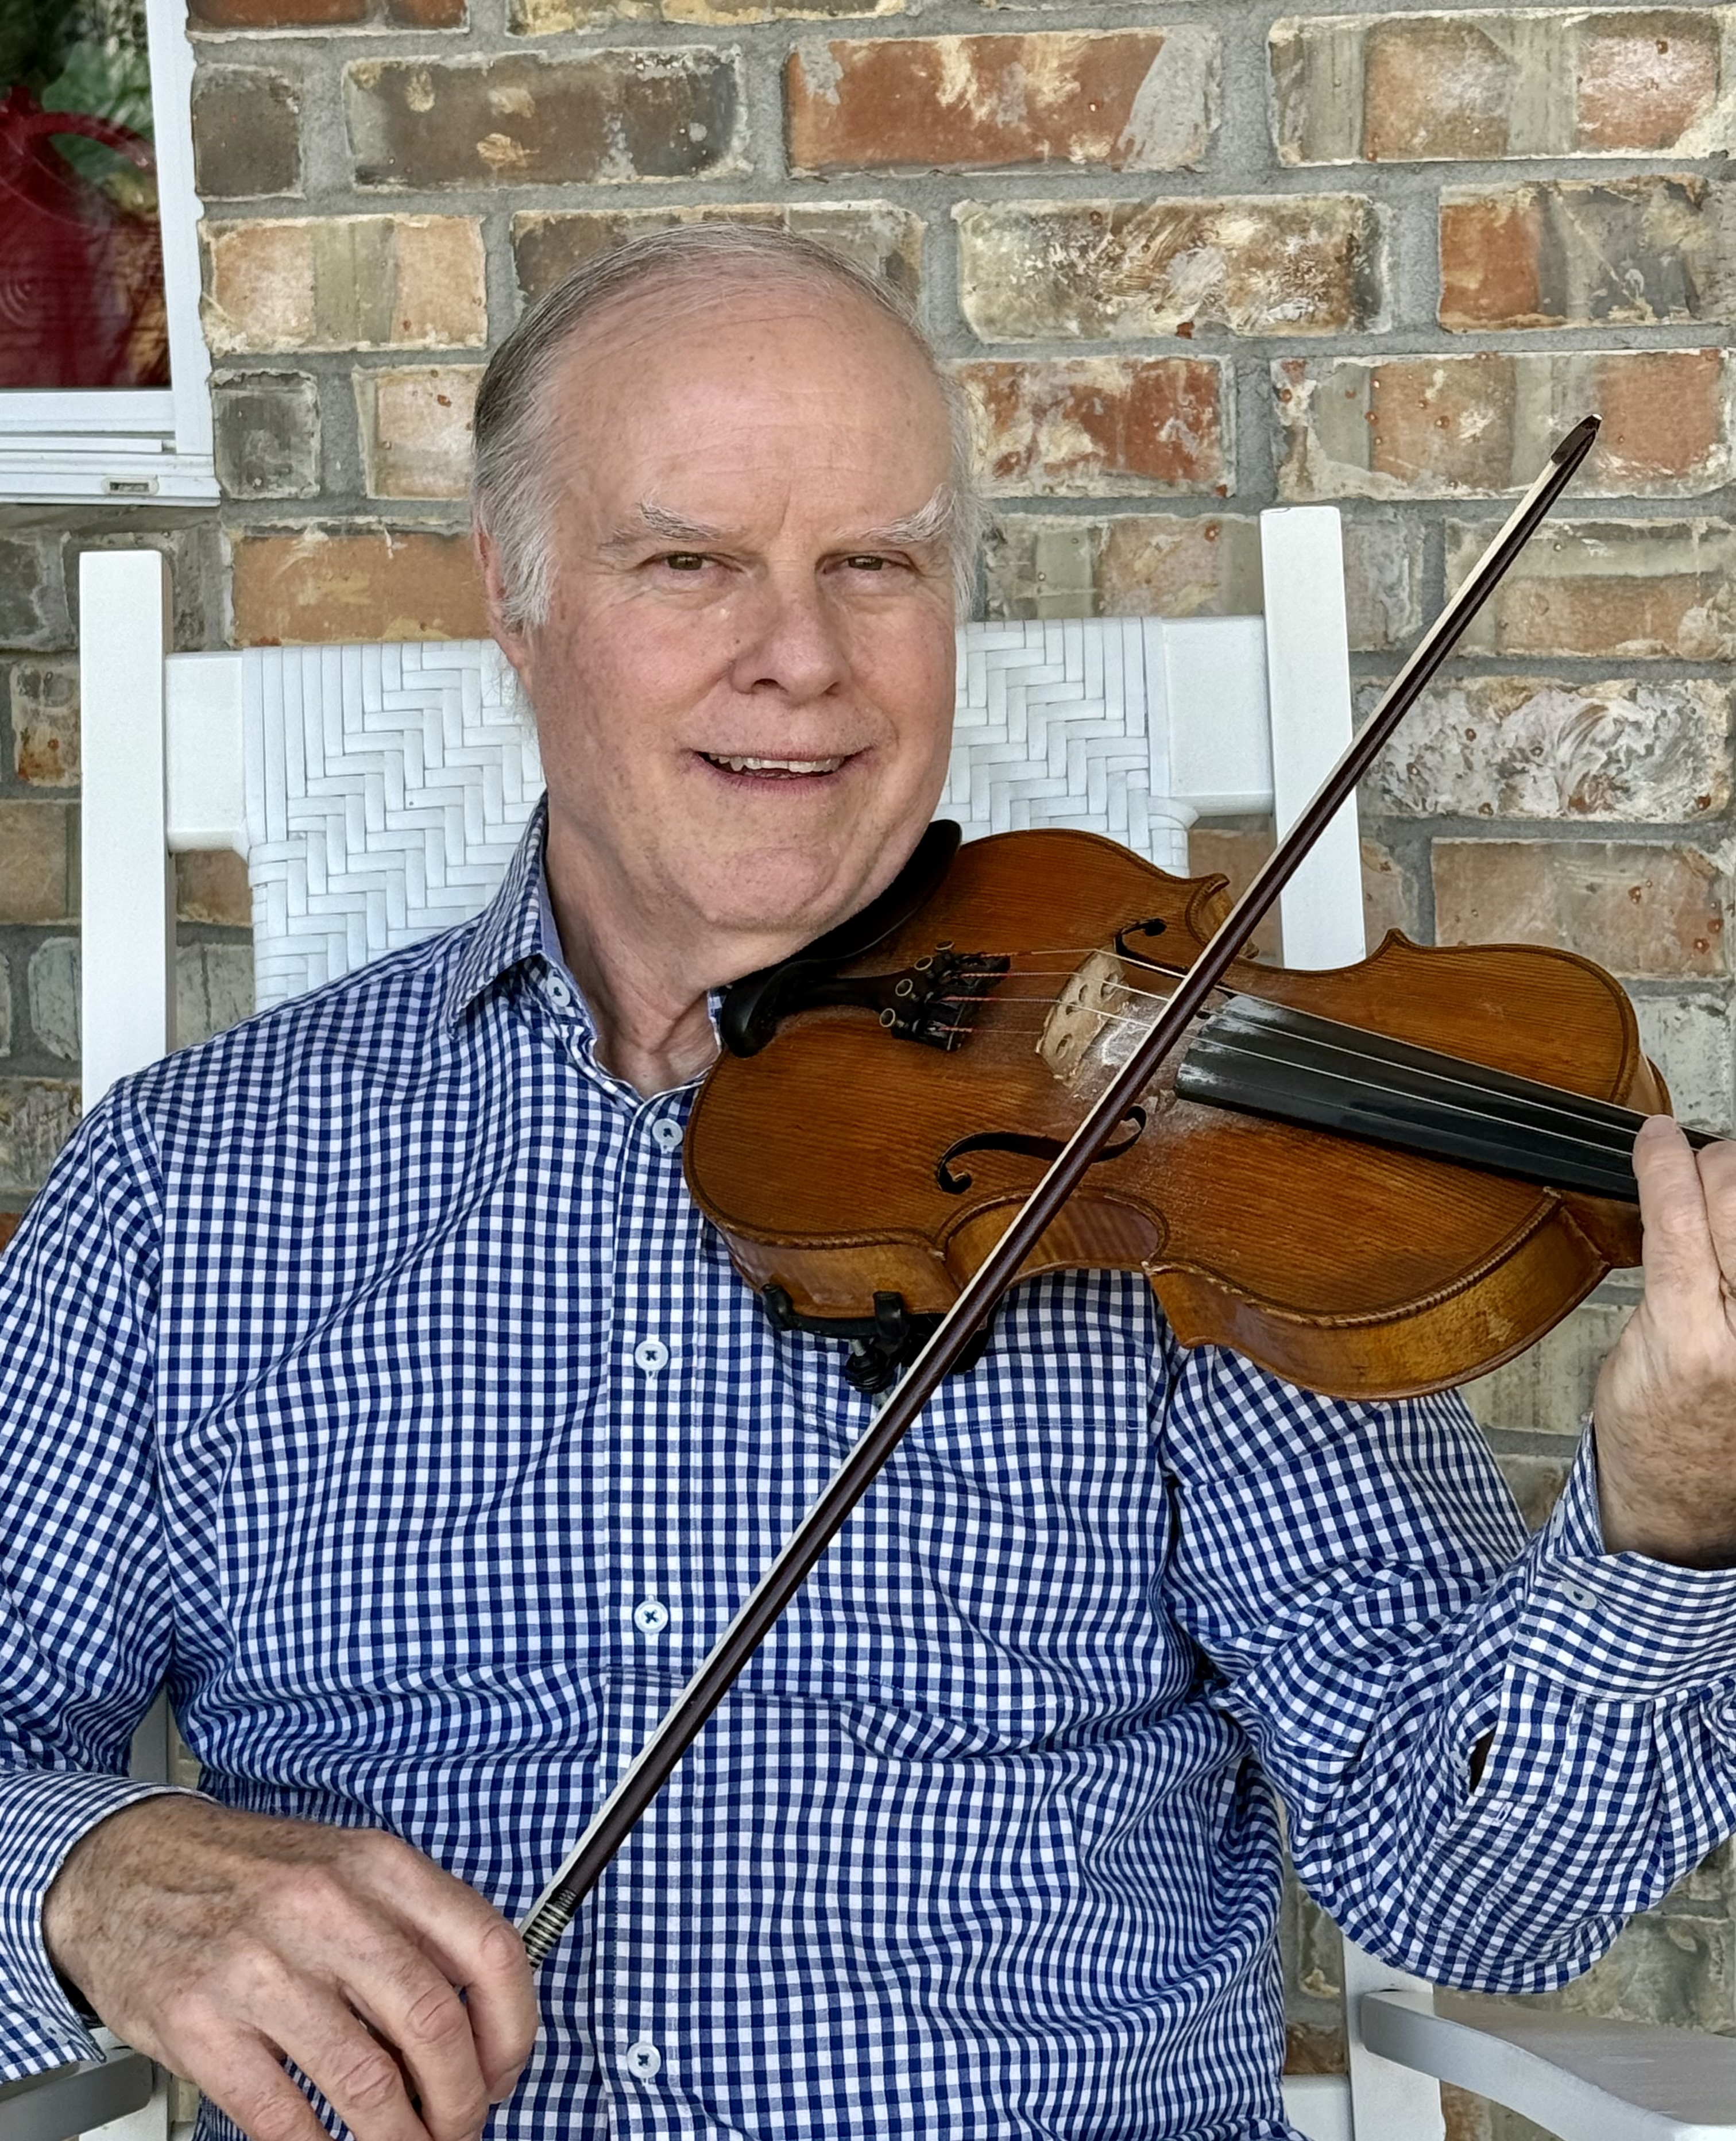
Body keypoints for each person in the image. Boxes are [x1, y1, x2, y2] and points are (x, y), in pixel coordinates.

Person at [4, 223, 1736, 2141]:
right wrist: (100, 1875)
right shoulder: (189, 1184)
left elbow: (1468, 1878)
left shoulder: (1194, 1149)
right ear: (515, 593)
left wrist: (1665, 1524)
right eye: (690, 562)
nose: (805, 662)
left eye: (877, 566)